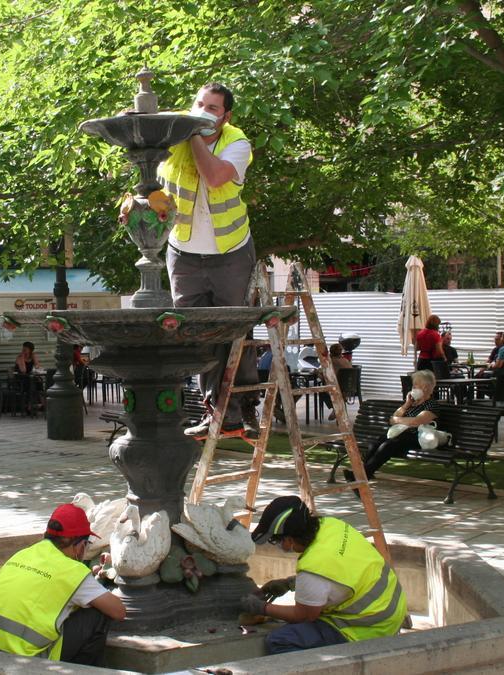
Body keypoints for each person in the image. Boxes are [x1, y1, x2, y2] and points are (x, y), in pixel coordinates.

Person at [159, 83, 259, 439]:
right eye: (199, 104)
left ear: (226, 116)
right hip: (184, 253)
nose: (203, 111)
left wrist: (194, 136)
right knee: (197, 335)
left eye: (212, 108)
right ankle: (215, 412)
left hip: (230, 252)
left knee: (234, 331)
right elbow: (149, 172)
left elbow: (215, 177)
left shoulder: (237, 142)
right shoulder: (174, 137)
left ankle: (244, 407)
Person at [239, 495, 407, 655]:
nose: (279, 546)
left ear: (289, 539)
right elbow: (339, 570)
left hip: (369, 627)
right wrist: (290, 583)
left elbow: (304, 616)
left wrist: (262, 608)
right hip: (392, 608)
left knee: (279, 640)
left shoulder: (312, 569)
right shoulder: (332, 525)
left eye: (276, 541)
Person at [0, 503, 126, 665]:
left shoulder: (21, 555)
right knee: (97, 615)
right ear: (80, 547)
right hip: (27, 662)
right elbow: (118, 611)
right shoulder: (72, 571)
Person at [345, 369, 439, 480]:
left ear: (426, 387)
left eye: (415, 386)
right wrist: (406, 404)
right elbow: (392, 418)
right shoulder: (412, 403)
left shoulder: (432, 405)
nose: (413, 388)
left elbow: (416, 421)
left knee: (388, 445)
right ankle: (362, 475)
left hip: (418, 438)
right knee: (375, 443)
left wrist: (397, 420)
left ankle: (360, 477)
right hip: (401, 435)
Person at [14, 341, 42, 415]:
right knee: (32, 383)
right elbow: (23, 370)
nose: (23, 350)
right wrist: (23, 357)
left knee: (38, 382)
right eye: (23, 348)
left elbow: (37, 367)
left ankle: (36, 405)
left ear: (30, 350)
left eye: (25, 349)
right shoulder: (19, 357)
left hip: (29, 379)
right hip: (20, 380)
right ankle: (31, 406)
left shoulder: (32, 355)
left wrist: (34, 358)